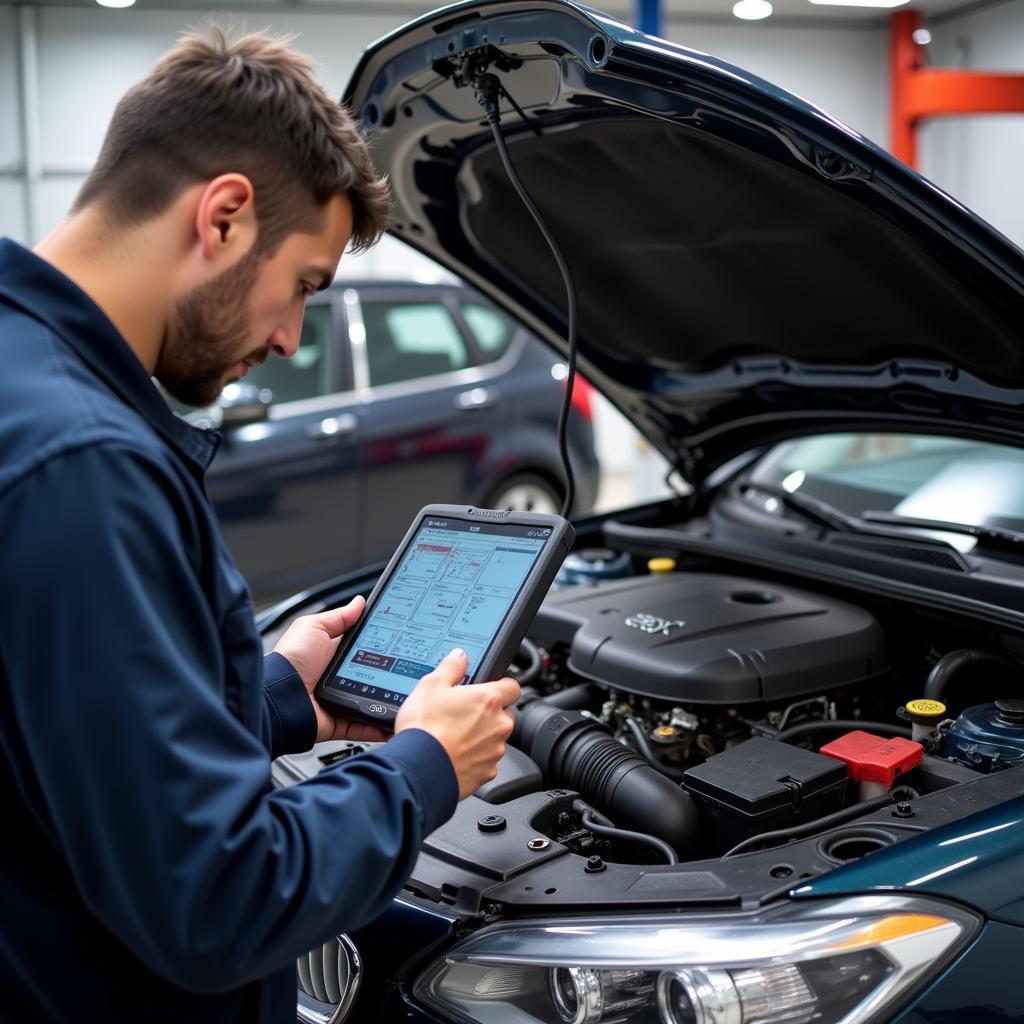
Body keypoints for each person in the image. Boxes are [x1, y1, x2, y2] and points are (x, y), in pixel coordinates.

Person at [0, 27, 520, 1023]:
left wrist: (277, 693)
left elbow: (67, 738)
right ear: (226, 216)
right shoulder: (85, 468)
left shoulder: (24, 382)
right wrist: (420, 769)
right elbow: (217, 901)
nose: (287, 338)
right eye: (305, 288)